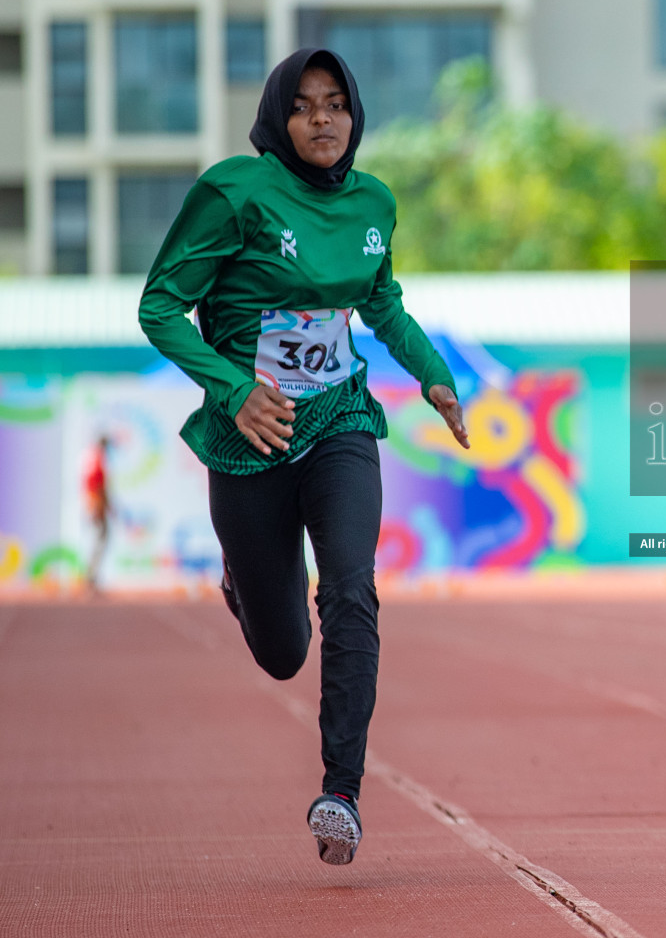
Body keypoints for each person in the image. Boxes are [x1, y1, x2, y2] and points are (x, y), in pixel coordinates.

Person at [138, 48, 470, 866]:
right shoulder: (235, 192)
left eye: (337, 105)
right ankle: (242, 580)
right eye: (304, 106)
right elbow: (160, 307)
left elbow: (382, 302)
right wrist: (231, 388)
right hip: (249, 440)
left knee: (352, 587)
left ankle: (342, 793)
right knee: (283, 651)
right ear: (277, 118)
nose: (323, 120)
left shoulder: (374, 203)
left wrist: (435, 377)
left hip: (339, 422)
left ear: (355, 117)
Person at [82, 434, 111, 597]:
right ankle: (91, 578)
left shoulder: (94, 458)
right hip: (97, 504)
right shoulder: (98, 459)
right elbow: (97, 486)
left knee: (100, 539)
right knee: (100, 539)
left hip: (96, 503)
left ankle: (92, 577)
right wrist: (100, 506)